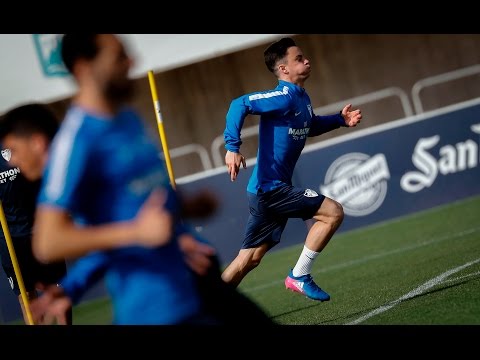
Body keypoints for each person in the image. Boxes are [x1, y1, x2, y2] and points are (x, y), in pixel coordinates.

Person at [13, 34, 272, 325]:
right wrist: (136, 232)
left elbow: (143, 208)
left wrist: (187, 206)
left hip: (192, 286)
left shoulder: (128, 119)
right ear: (84, 68)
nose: (131, 62)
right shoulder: (77, 141)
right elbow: (49, 242)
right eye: (119, 56)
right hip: (156, 311)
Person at [222, 37, 362, 301]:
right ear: (283, 69)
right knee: (332, 213)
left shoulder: (301, 98)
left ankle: (204, 308)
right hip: (270, 189)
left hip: (266, 191)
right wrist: (232, 146)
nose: (307, 60)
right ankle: (299, 275)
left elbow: (309, 126)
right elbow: (238, 104)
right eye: (299, 58)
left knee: (248, 259)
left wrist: (339, 121)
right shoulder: (282, 96)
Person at [0, 104, 72, 325]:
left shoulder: (19, 142)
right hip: (12, 239)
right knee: (26, 297)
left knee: (58, 290)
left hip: (42, 230)